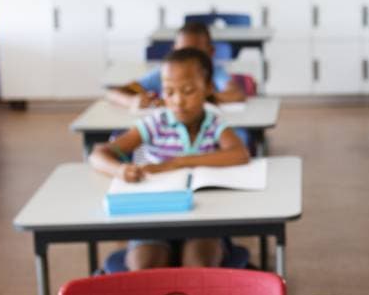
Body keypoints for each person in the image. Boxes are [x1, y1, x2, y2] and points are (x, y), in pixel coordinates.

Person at [89, 47, 250, 270]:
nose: (178, 101)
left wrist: (177, 163)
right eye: (169, 92)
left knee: (200, 268)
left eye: (188, 90)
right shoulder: (154, 123)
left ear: (208, 88)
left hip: (205, 222)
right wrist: (120, 170)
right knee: (145, 268)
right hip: (152, 219)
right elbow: (99, 155)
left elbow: (239, 153)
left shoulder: (214, 123)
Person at [106, 21, 245, 109]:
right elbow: (114, 93)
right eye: (183, 52)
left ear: (210, 52)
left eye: (196, 53)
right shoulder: (163, 73)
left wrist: (195, 100)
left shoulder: (214, 72)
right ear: (174, 50)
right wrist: (131, 101)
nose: (189, 59)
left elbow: (235, 94)